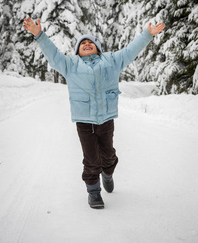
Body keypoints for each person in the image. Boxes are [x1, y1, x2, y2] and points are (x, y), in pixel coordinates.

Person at [23, 17, 165, 209]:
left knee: (108, 155)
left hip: (106, 119)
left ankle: (108, 173)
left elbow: (131, 51)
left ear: (98, 47)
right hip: (84, 121)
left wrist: (147, 34)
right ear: (77, 51)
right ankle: (94, 192)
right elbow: (54, 55)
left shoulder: (112, 61)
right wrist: (39, 35)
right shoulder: (70, 65)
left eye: (91, 42)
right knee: (91, 159)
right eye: (83, 43)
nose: (87, 44)